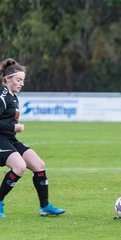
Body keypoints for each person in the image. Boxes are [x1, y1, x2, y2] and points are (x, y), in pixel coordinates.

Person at [0, 58, 65, 218]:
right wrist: (13, 127)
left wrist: (13, 127)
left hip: (10, 139)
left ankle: (45, 207)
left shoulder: (13, 96)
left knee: (39, 165)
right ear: (7, 79)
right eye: (18, 80)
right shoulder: (2, 97)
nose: (21, 83)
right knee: (20, 167)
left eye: (23, 80)